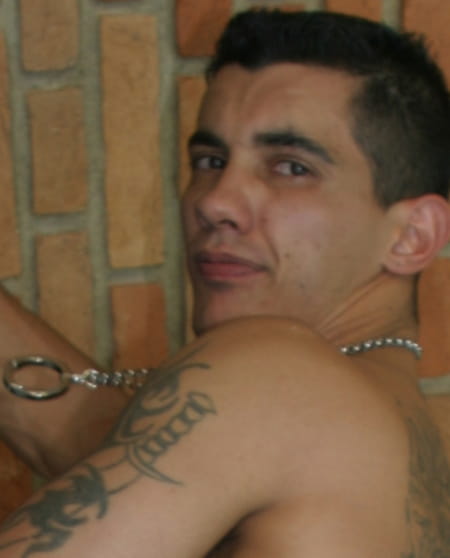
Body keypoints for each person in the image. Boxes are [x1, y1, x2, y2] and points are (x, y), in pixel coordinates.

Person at [0, 8, 449, 557]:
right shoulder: (401, 444)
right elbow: (142, 461)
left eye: (291, 167)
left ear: (412, 236)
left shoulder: (272, 374)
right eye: (211, 160)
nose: (215, 202)